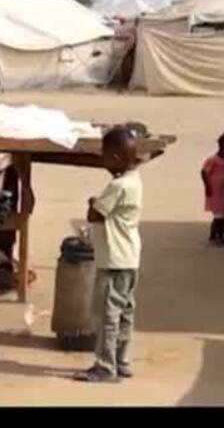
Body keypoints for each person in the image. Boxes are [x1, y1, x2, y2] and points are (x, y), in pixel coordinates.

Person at [80, 126, 144, 383]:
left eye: (104, 155)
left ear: (116, 158)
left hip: (113, 260)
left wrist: (92, 203)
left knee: (108, 314)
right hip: (130, 258)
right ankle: (122, 360)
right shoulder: (135, 180)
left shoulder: (117, 186)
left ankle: (105, 366)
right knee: (125, 312)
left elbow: (95, 215)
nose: (102, 159)